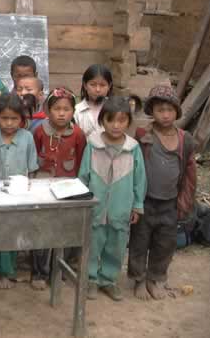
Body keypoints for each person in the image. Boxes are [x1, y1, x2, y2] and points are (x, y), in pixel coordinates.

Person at [128, 85, 196, 301]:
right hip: (145, 201)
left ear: (177, 111)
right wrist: (133, 200)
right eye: (160, 110)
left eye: (169, 110)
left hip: (170, 203)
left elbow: (190, 174)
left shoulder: (185, 140)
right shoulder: (144, 136)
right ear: (151, 111)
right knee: (139, 241)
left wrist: (184, 202)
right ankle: (139, 279)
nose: (165, 115)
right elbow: (133, 167)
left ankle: (155, 279)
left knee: (165, 244)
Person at [78, 96, 146, 302]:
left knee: (116, 246)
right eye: (110, 120)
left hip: (121, 209)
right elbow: (83, 176)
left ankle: (108, 280)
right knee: (92, 245)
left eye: (121, 120)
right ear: (102, 121)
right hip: (96, 208)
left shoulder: (133, 148)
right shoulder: (93, 145)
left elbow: (140, 179)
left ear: (128, 122)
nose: (116, 125)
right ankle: (91, 279)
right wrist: (83, 202)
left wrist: (137, 205)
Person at [0, 93, 38, 289]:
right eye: (4, 118)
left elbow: (32, 169)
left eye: (14, 118)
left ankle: (7, 271)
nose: (9, 123)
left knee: (12, 232)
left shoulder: (27, 138)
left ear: (22, 118)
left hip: (17, 196)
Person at [32, 87, 87, 290]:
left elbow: (81, 161)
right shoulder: (39, 131)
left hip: (68, 189)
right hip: (43, 186)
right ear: (48, 110)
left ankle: (59, 270)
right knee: (41, 230)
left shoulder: (78, 134)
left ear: (73, 111)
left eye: (66, 109)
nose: (62, 113)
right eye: (57, 109)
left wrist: (80, 187)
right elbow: (33, 156)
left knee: (64, 230)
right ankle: (38, 272)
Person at [74, 64, 113, 138]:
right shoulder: (77, 111)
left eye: (102, 85)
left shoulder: (114, 109)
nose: (98, 89)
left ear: (109, 86)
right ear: (85, 85)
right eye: (93, 85)